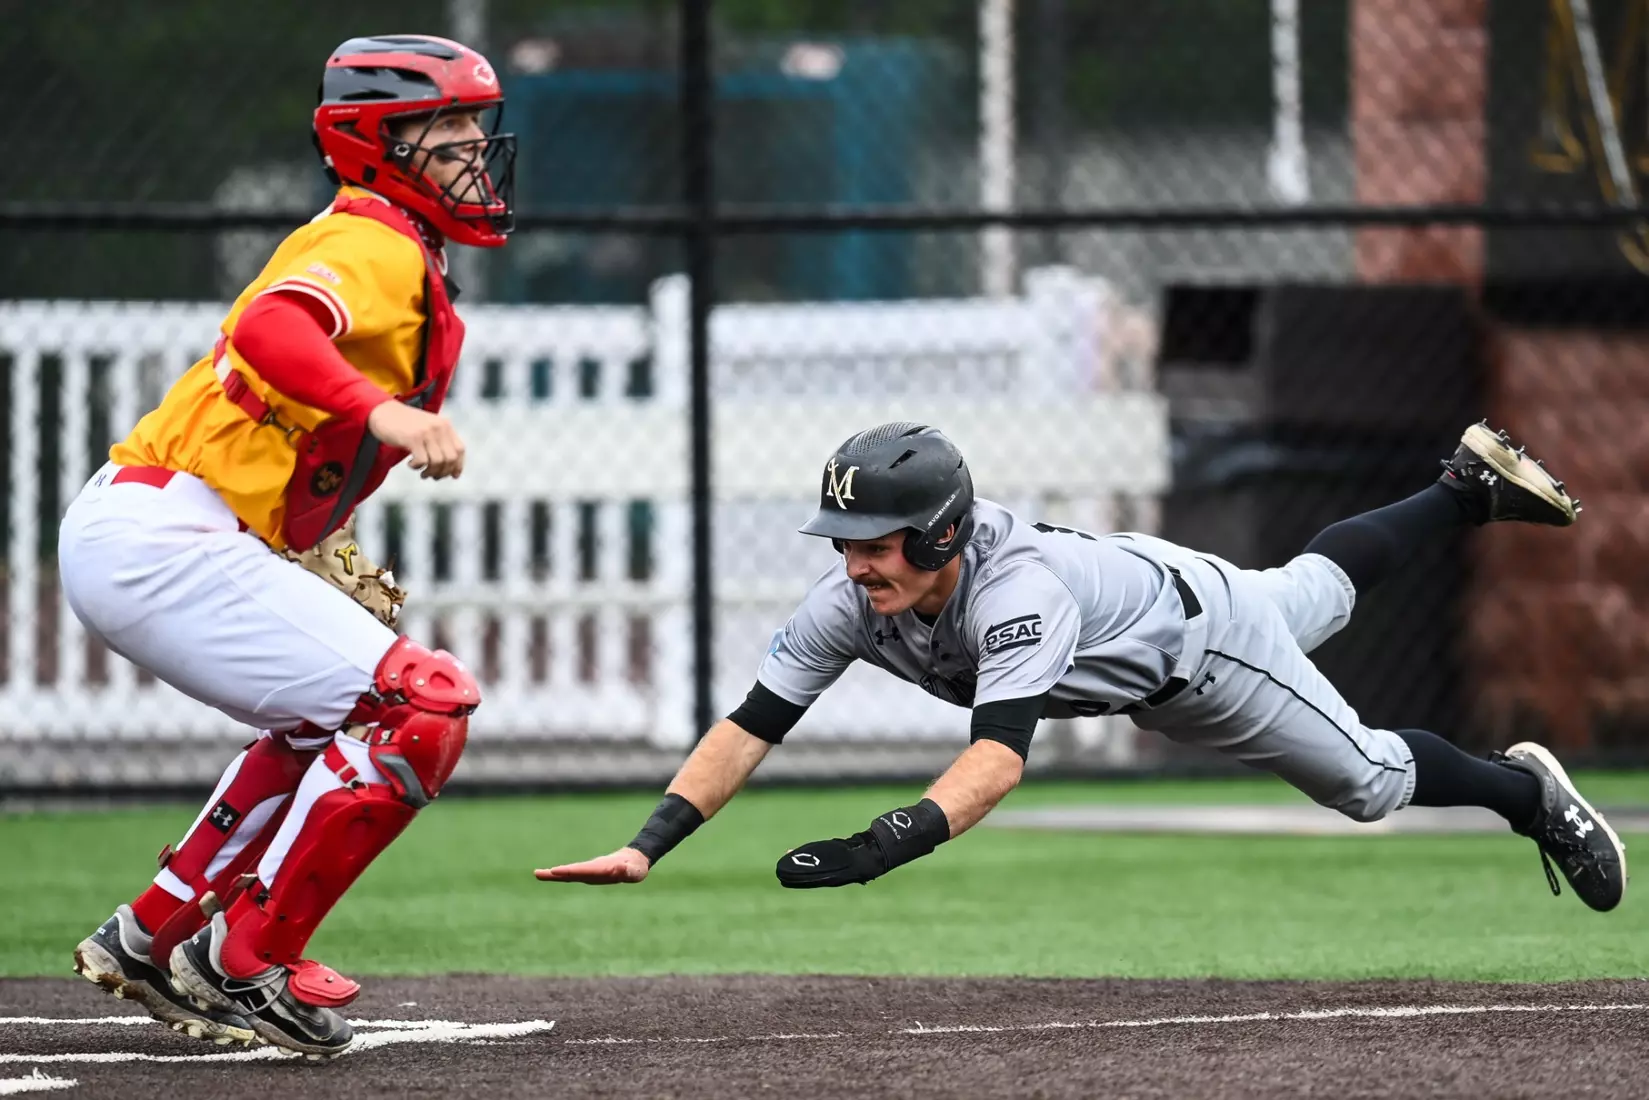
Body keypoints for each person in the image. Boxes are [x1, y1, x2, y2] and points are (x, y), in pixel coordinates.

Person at [539, 421, 1626, 917]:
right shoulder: (852, 595)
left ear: (942, 536)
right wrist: (649, 844)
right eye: (844, 534)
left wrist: (883, 844)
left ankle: (1521, 791)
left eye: (876, 536)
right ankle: (1458, 487)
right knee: (1312, 588)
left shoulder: (1012, 594)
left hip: (1204, 657)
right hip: (1155, 586)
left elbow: (995, 763)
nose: (852, 556)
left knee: (1368, 783)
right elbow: (753, 719)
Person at [61, 34, 515, 1057]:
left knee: (335, 718)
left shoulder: (387, 240)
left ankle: (153, 932)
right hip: (163, 534)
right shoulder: (378, 241)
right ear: (375, 146)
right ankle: (244, 957)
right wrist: (384, 416)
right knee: (422, 705)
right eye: (445, 133)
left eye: (471, 131)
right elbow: (271, 328)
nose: (472, 153)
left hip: (155, 524)